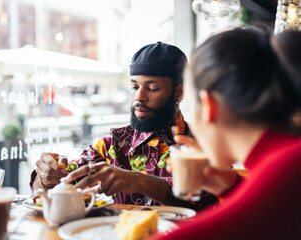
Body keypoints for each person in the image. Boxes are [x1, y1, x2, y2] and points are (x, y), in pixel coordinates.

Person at [150, 29, 301, 240]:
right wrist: (230, 186)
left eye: (193, 108)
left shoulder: (288, 165)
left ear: (209, 106)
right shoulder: (284, 158)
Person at [31, 42, 217, 208]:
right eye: (135, 87)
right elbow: (58, 187)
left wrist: (140, 181)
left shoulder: (204, 143)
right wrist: (46, 178)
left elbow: (209, 203)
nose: (139, 97)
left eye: (152, 88)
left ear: (179, 92)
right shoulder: (112, 143)